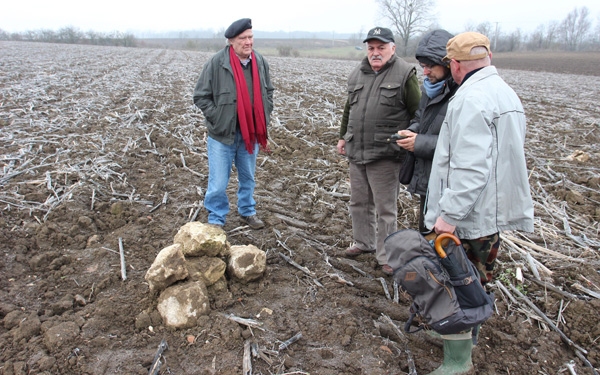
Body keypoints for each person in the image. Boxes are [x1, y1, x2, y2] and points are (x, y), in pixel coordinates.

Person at [422, 32, 534, 375]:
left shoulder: (471, 99)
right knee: (477, 279)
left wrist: (448, 216)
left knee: (456, 283)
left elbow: (470, 168)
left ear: (455, 65)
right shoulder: (505, 93)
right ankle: (464, 342)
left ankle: (458, 361)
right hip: (490, 213)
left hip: (468, 216)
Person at [337, 26, 421, 276]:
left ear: (392, 49)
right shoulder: (358, 73)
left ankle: (387, 255)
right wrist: (343, 136)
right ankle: (364, 243)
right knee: (358, 202)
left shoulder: (405, 73)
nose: (375, 52)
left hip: (386, 153)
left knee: (385, 208)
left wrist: (410, 137)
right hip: (357, 149)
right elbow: (348, 109)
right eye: (371, 48)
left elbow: (418, 112)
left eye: (381, 47)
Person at [193, 18, 274, 229]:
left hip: (251, 133)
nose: (248, 42)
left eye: (250, 37)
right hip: (222, 135)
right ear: (231, 41)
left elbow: (268, 91)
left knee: (248, 178)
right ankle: (216, 218)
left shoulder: (260, 62)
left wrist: (265, 113)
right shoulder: (217, 63)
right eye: (243, 38)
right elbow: (201, 96)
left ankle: (247, 211)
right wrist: (218, 118)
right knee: (218, 183)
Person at [395, 29, 458, 233]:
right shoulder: (431, 89)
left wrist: (419, 142)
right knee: (428, 235)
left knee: (447, 244)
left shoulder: (462, 95)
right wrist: (410, 132)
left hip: (450, 186)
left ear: (448, 63)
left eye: (430, 65)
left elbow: (459, 144)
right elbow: (420, 119)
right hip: (429, 178)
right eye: (423, 66)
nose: (425, 72)